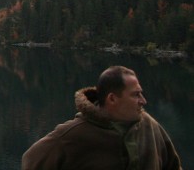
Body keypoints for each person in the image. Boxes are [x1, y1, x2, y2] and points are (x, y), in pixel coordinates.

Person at [22, 65, 183, 169]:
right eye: (135, 95)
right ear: (112, 99)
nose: (143, 101)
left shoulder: (150, 126)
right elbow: (31, 160)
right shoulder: (72, 135)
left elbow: (173, 166)